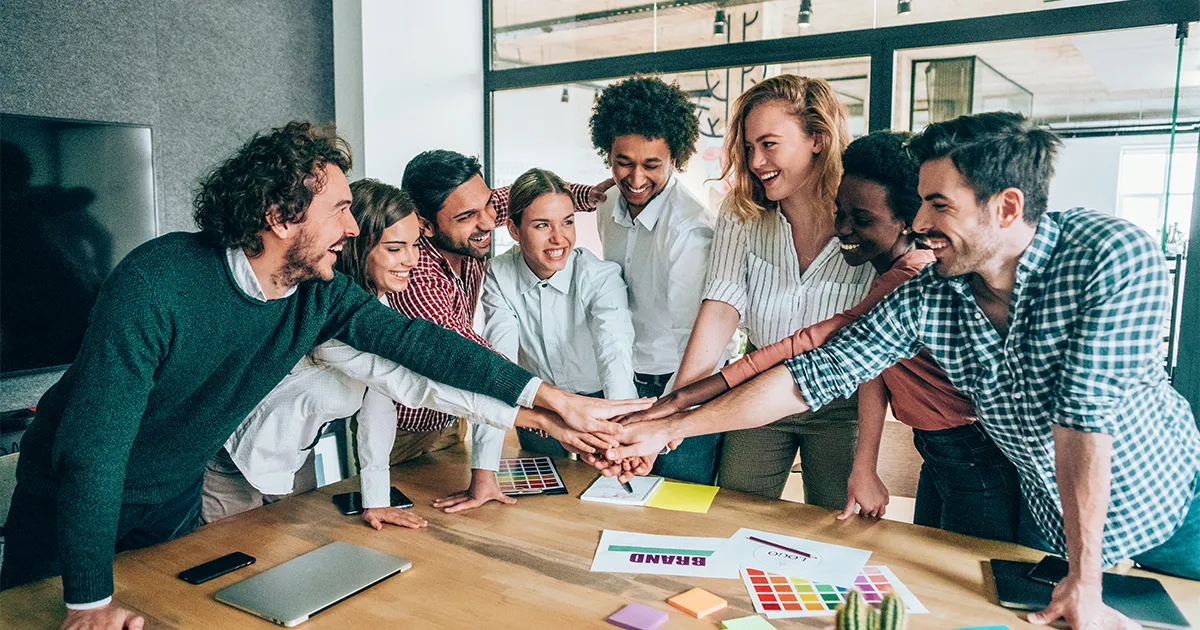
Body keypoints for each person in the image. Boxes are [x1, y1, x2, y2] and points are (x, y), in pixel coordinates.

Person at [0, 121, 646, 630]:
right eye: (339, 208)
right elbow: (94, 451)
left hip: (173, 495)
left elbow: (423, 348)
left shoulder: (319, 292)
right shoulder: (157, 283)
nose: (349, 226)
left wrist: (553, 400)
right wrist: (86, 601)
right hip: (71, 499)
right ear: (281, 216)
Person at [604, 112, 1200, 630]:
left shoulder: (1110, 256)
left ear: (1006, 207)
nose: (917, 221)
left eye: (939, 204)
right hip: (1058, 521)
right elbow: (815, 373)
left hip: (1165, 514)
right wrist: (666, 428)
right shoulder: (932, 291)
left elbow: (1083, 420)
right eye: (920, 201)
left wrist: (1086, 576)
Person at [604, 132, 1022, 542]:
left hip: (975, 456)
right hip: (942, 455)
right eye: (840, 213)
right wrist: (675, 407)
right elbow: (831, 362)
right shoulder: (907, 285)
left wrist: (675, 413)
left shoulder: (909, 282)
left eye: (862, 219)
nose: (841, 229)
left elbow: (807, 350)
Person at [202, 179, 609, 527]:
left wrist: (376, 499)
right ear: (353, 247)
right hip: (229, 464)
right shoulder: (331, 325)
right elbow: (415, 387)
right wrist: (538, 415)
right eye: (396, 248)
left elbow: (379, 406)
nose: (412, 261)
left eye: (415, 245)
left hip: (290, 459)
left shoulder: (373, 306)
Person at [673, 75, 874, 505]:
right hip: (756, 392)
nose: (756, 161)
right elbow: (722, 305)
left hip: (841, 403)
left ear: (817, 139)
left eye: (769, 144)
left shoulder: (866, 217)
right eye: (748, 148)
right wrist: (678, 404)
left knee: (835, 528)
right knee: (734, 510)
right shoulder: (742, 209)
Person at [385, 150, 617, 512]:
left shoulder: (473, 234)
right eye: (467, 216)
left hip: (456, 419)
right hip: (407, 428)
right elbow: (469, 357)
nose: (487, 222)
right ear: (425, 225)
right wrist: (554, 403)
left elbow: (514, 198)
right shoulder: (418, 277)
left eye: (487, 207)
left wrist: (585, 196)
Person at [588, 76, 721, 484]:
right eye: (623, 161)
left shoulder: (689, 230)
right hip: (621, 376)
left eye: (652, 165)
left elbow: (692, 338)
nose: (636, 178)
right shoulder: (608, 201)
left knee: (680, 504)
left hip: (680, 385)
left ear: (675, 159)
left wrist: (668, 418)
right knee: (620, 494)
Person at [480, 168, 638, 457]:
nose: (559, 238)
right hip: (540, 409)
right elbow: (498, 362)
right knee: (552, 498)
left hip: (600, 402)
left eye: (567, 222)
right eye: (542, 226)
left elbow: (613, 350)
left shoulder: (599, 276)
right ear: (514, 230)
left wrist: (622, 435)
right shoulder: (498, 275)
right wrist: (484, 470)